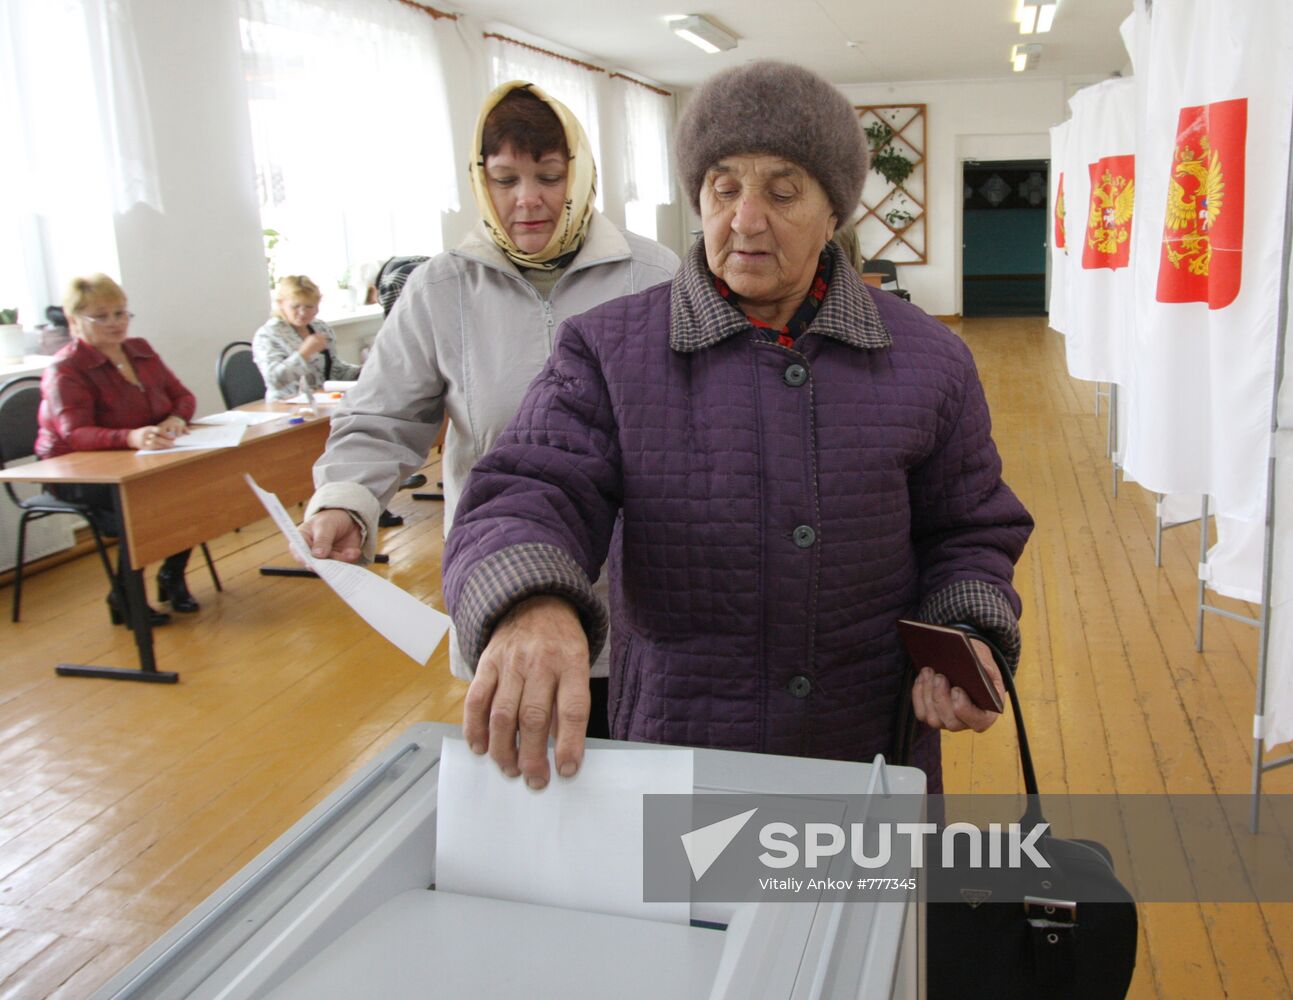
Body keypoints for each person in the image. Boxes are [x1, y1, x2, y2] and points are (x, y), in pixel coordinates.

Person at [441, 61, 1034, 790]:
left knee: (866, 906)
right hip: (681, 749)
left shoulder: (928, 359)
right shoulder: (608, 350)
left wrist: (963, 628)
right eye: (723, 188)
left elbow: (968, 529)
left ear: (833, 213)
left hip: (864, 748)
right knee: (690, 906)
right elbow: (532, 484)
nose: (745, 219)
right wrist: (529, 602)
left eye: (782, 192)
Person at [297, 81, 680, 736]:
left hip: (638, 580)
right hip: (507, 573)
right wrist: (346, 496)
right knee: (536, 775)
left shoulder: (653, 275)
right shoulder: (441, 288)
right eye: (504, 179)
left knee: (641, 776)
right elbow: (384, 411)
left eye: (547, 176)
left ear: (580, 175)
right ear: (481, 182)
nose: (525, 199)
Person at [35, 274, 201, 623]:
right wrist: (131, 437)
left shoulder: (140, 351)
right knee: (144, 507)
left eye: (121, 313)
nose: (115, 323)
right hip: (77, 472)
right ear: (74, 319)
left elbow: (184, 396)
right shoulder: (65, 368)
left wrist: (174, 417)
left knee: (196, 488)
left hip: (142, 458)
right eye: (102, 316)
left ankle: (171, 575)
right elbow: (75, 433)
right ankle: (124, 596)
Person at [252, 275, 362, 402]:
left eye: (309, 307)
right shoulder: (268, 335)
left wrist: (364, 370)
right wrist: (303, 354)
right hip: (285, 405)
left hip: (323, 401)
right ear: (281, 304)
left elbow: (334, 370)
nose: (303, 312)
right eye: (295, 306)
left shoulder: (320, 328)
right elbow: (274, 380)